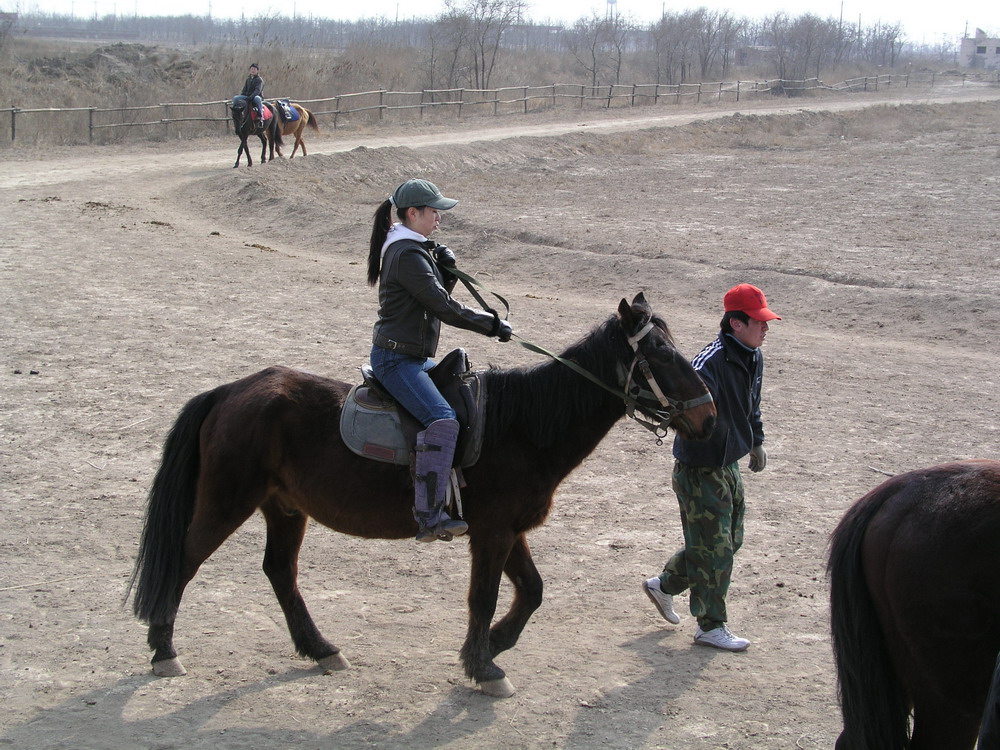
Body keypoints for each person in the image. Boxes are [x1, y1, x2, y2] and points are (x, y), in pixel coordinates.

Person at [367, 178, 513, 543]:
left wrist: (444, 275)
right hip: (396, 361)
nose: (439, 219)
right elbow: (444, 309)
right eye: (434, 212)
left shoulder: (413, 250)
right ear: (413, 213)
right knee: (443, 419)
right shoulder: (406, 254)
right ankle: (429, 515)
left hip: (412, 358)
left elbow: (427, 301)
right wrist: (492, 324)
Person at [642, 283, 780, 652]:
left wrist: (757, 441)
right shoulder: (708, 364)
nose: (765, 328)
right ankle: (710, 624)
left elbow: (752, 405)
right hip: (700, 469)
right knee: (714, 548)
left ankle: (664, 585)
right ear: (736, 324)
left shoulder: (754, 356)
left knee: (728, 541)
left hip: (728, 464)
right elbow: (685, 411)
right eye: (759, 321)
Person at [238, 63, 265, 131]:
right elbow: (244, 90)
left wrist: (251, 97)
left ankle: (260, 116)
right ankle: (237, 114)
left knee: (257, 99)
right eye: (252, 69)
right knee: (235, 98)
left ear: (257, 71)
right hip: (247, 96)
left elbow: (257, 90)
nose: (253, 70)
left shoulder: (259, 80)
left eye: (254, 69)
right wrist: (242, 95)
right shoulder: (248, 79)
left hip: (256, 96)